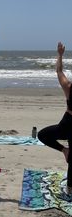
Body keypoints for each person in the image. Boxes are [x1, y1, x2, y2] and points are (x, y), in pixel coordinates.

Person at [38, 42, 72, 200]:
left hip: (68, 123)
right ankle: (66, 151)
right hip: (68, 124)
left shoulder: (69, 87)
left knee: (42, 135)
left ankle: (64, 150)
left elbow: (58, 70)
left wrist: (60, 54)